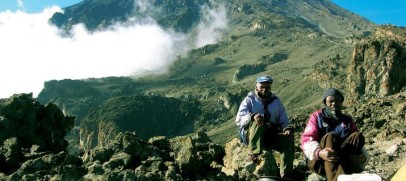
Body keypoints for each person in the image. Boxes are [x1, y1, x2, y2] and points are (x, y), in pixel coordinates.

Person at [300, 88, 369, 181]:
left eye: (337, 100)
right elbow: (307, 139)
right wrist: (319, 153)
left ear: (341, 102)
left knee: (357, 136)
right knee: (330, 137)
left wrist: (364, 158)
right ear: (325, 102)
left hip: (342, 160)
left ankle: (337, 178)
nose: (334, 103)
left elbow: (356, 142)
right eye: (331, 101)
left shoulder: (347, 120)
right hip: (320, 162)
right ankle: (334, 178)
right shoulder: (317, 117)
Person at [236, 75, 294, 178]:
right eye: (262, 86)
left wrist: (287, 129)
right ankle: (253, 154)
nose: (264, 89)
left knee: (288, 140)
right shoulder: (249, 100)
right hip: (252, 136)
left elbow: (284, 119)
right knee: (259, 123)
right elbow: (239, 120)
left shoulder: (276, 101)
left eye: (267, 87)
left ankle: (286, 173)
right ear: (256, 86)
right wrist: (252, 116)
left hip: (269, 136)